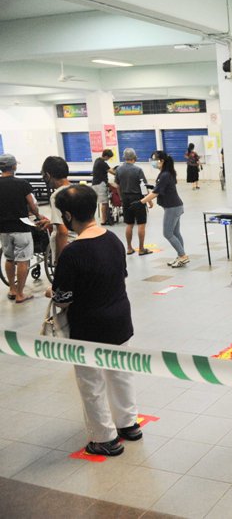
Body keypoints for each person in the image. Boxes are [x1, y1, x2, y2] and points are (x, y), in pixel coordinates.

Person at [50, 185, 141, 456]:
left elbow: (63, 298)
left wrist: (51, 292)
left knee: (91, 382)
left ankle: (104, 438)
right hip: (120, 320)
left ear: (67, 215)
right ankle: (129, 424)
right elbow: (119, 276)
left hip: (89, 327)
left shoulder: (73, 252)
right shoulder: (112, 239)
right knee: (121, 374)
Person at [0, 154, 48, 303]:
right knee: (23, 260)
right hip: (21, 227)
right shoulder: (22, 184)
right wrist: (39, 216)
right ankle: (20, 294)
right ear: (14, 166)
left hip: (4, 228)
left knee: (9, 258)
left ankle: (12, 289)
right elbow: (32, 205)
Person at [139, 151, 189, 267]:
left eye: (154, 159)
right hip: (175, 206)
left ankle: (183, 256)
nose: (152, 162)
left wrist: (140, 202)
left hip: (172, 207)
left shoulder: (165, 174)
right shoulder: (165, 173)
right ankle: (180, 256)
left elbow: (156, 193)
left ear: (161, 161)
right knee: (175, 233)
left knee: (167, 233)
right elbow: (160, 188)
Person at [115, 148, 153, 256]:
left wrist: (121, 197)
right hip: (138, 199)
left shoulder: (119, 170)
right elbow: (143, 187)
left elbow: (117, 186)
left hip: (125, 199)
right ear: (134, 158)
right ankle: (141, 249)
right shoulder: (138, 170)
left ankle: (129, 248)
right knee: (141, 224)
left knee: (129, 224)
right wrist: (149, 201)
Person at [41, 156, 76, 262]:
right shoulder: (78, 190)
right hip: (82, 243)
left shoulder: (57, 196)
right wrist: (52, 222)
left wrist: (58, 260)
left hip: (67, 247)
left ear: (47, 175)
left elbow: (63, 232)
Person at [91, 149, 115, 225]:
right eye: (109, 157)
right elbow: (113, 172)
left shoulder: (97, 160)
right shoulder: (102, 163)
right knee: (104, 203)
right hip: (100, 185)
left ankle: (106, 218)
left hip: (96, 184)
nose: (109, 159)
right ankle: (103, 220)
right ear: (106, 156)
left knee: (104, 202)